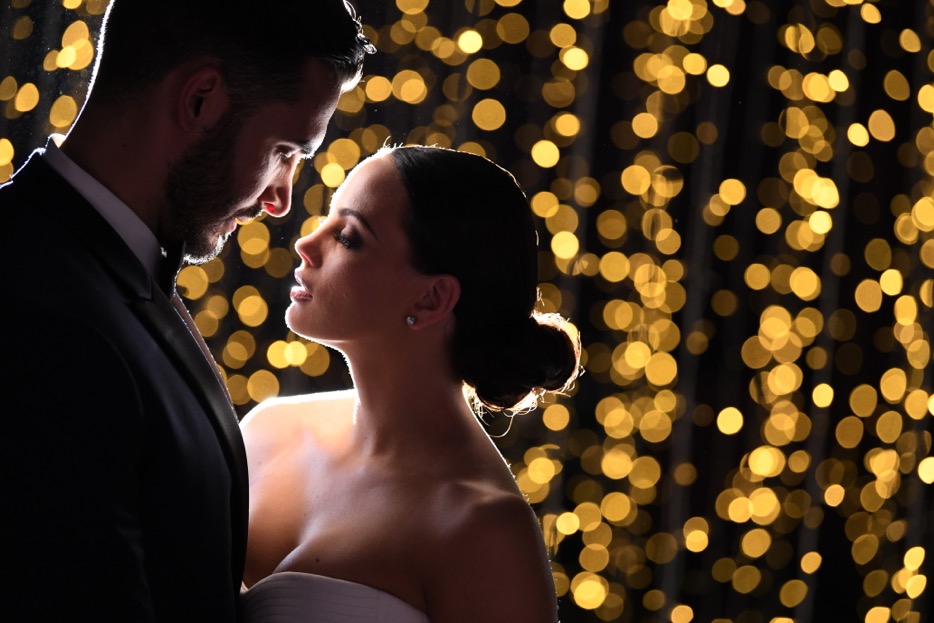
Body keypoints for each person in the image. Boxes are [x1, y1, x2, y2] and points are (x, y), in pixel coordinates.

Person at [0, 1, 373, 620]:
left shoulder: (109, 268)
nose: (281, 200)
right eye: (284, 150)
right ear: (201, 98)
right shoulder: (35, 311)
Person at [238, 145, 581, 622]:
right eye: (327, 218)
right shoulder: (264, 433)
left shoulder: (482, 527)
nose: (307, 243)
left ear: (432, 297)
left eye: (350, 237)